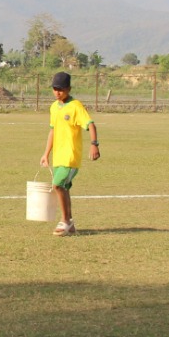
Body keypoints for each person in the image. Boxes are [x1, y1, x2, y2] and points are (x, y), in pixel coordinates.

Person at [37, 71, 100, 236]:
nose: (57, 92)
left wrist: (94, 144)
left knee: (57, 185)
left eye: (61, 89)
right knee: (63, 187)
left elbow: (91, 124)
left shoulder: (76, 106)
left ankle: (64, 221)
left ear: (69, 89)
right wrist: (46, 154)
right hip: (58, 157)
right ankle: (70, 224)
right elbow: (52, 131)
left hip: (71, 157)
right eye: (55, 89)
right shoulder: (54, 107)